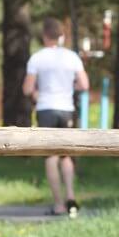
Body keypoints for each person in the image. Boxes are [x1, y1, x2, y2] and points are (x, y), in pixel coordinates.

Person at [23, 17, 89, 217]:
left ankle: (58, 204)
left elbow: (27, 88)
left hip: (46, 108)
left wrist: (36, 93)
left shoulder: (37, 58)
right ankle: (71, 198)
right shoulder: (71, 57)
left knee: (50, 156)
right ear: (61, 35)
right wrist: (70, 88)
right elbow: (84, 85)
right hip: (66, 108)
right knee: (66, 155)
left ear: (44, 35)